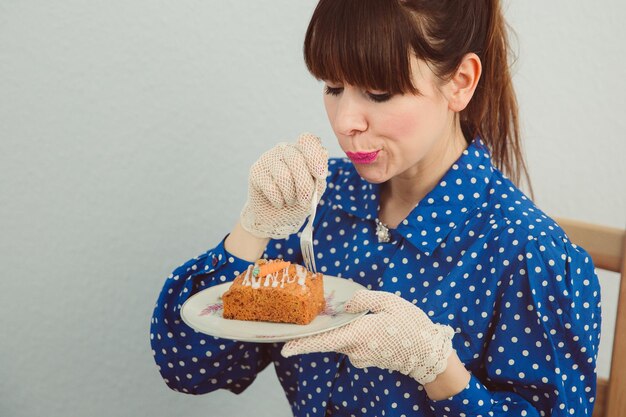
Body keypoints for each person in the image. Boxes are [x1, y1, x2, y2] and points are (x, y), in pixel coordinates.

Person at [150, 0, 601, 415]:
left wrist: (438, 368)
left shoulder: (525, 251)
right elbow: (191, 368)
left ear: (460, 83)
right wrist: (252, 228)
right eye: (333, 86)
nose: (346, 122)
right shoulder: (315, 203)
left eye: (379, 93)